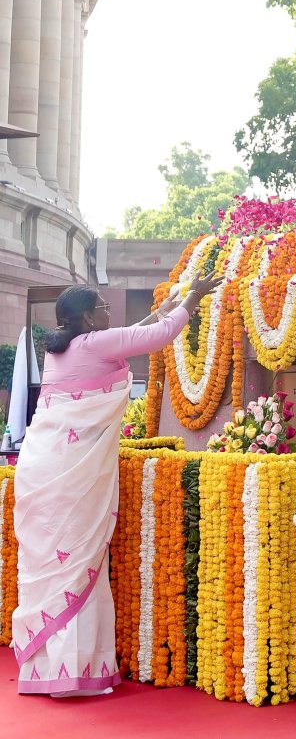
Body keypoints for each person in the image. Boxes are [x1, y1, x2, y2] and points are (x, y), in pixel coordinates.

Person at [10, 273, 221, 697]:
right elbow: (156, 336)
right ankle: (74, 672)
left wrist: (169, 305)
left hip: (44, 468)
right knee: (79, 559)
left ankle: (51, 666)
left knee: (56, 562)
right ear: (88, 317)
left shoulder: (63, 346)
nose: (109, 313)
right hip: (72, 475)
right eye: (104, 308)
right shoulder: (94, 344)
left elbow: (136, 332)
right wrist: (193, 297)